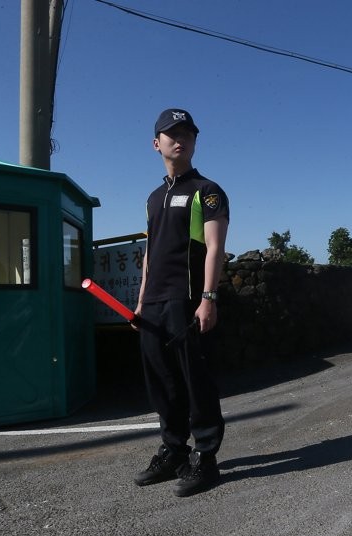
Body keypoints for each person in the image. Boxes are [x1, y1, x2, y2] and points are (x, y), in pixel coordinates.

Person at [131, 108, 230, 497]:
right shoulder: (153, 198)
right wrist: (141, 303)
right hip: (153, 303)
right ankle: (174, 451)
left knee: (195, 381)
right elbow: (150, 254)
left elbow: (215, 248)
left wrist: (208, 298)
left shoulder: (207, 191)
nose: (181, 139)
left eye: (188, 133)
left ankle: (206, 458)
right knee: (163, 382)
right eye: (172, 134)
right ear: (156, 143)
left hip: (186, 300)